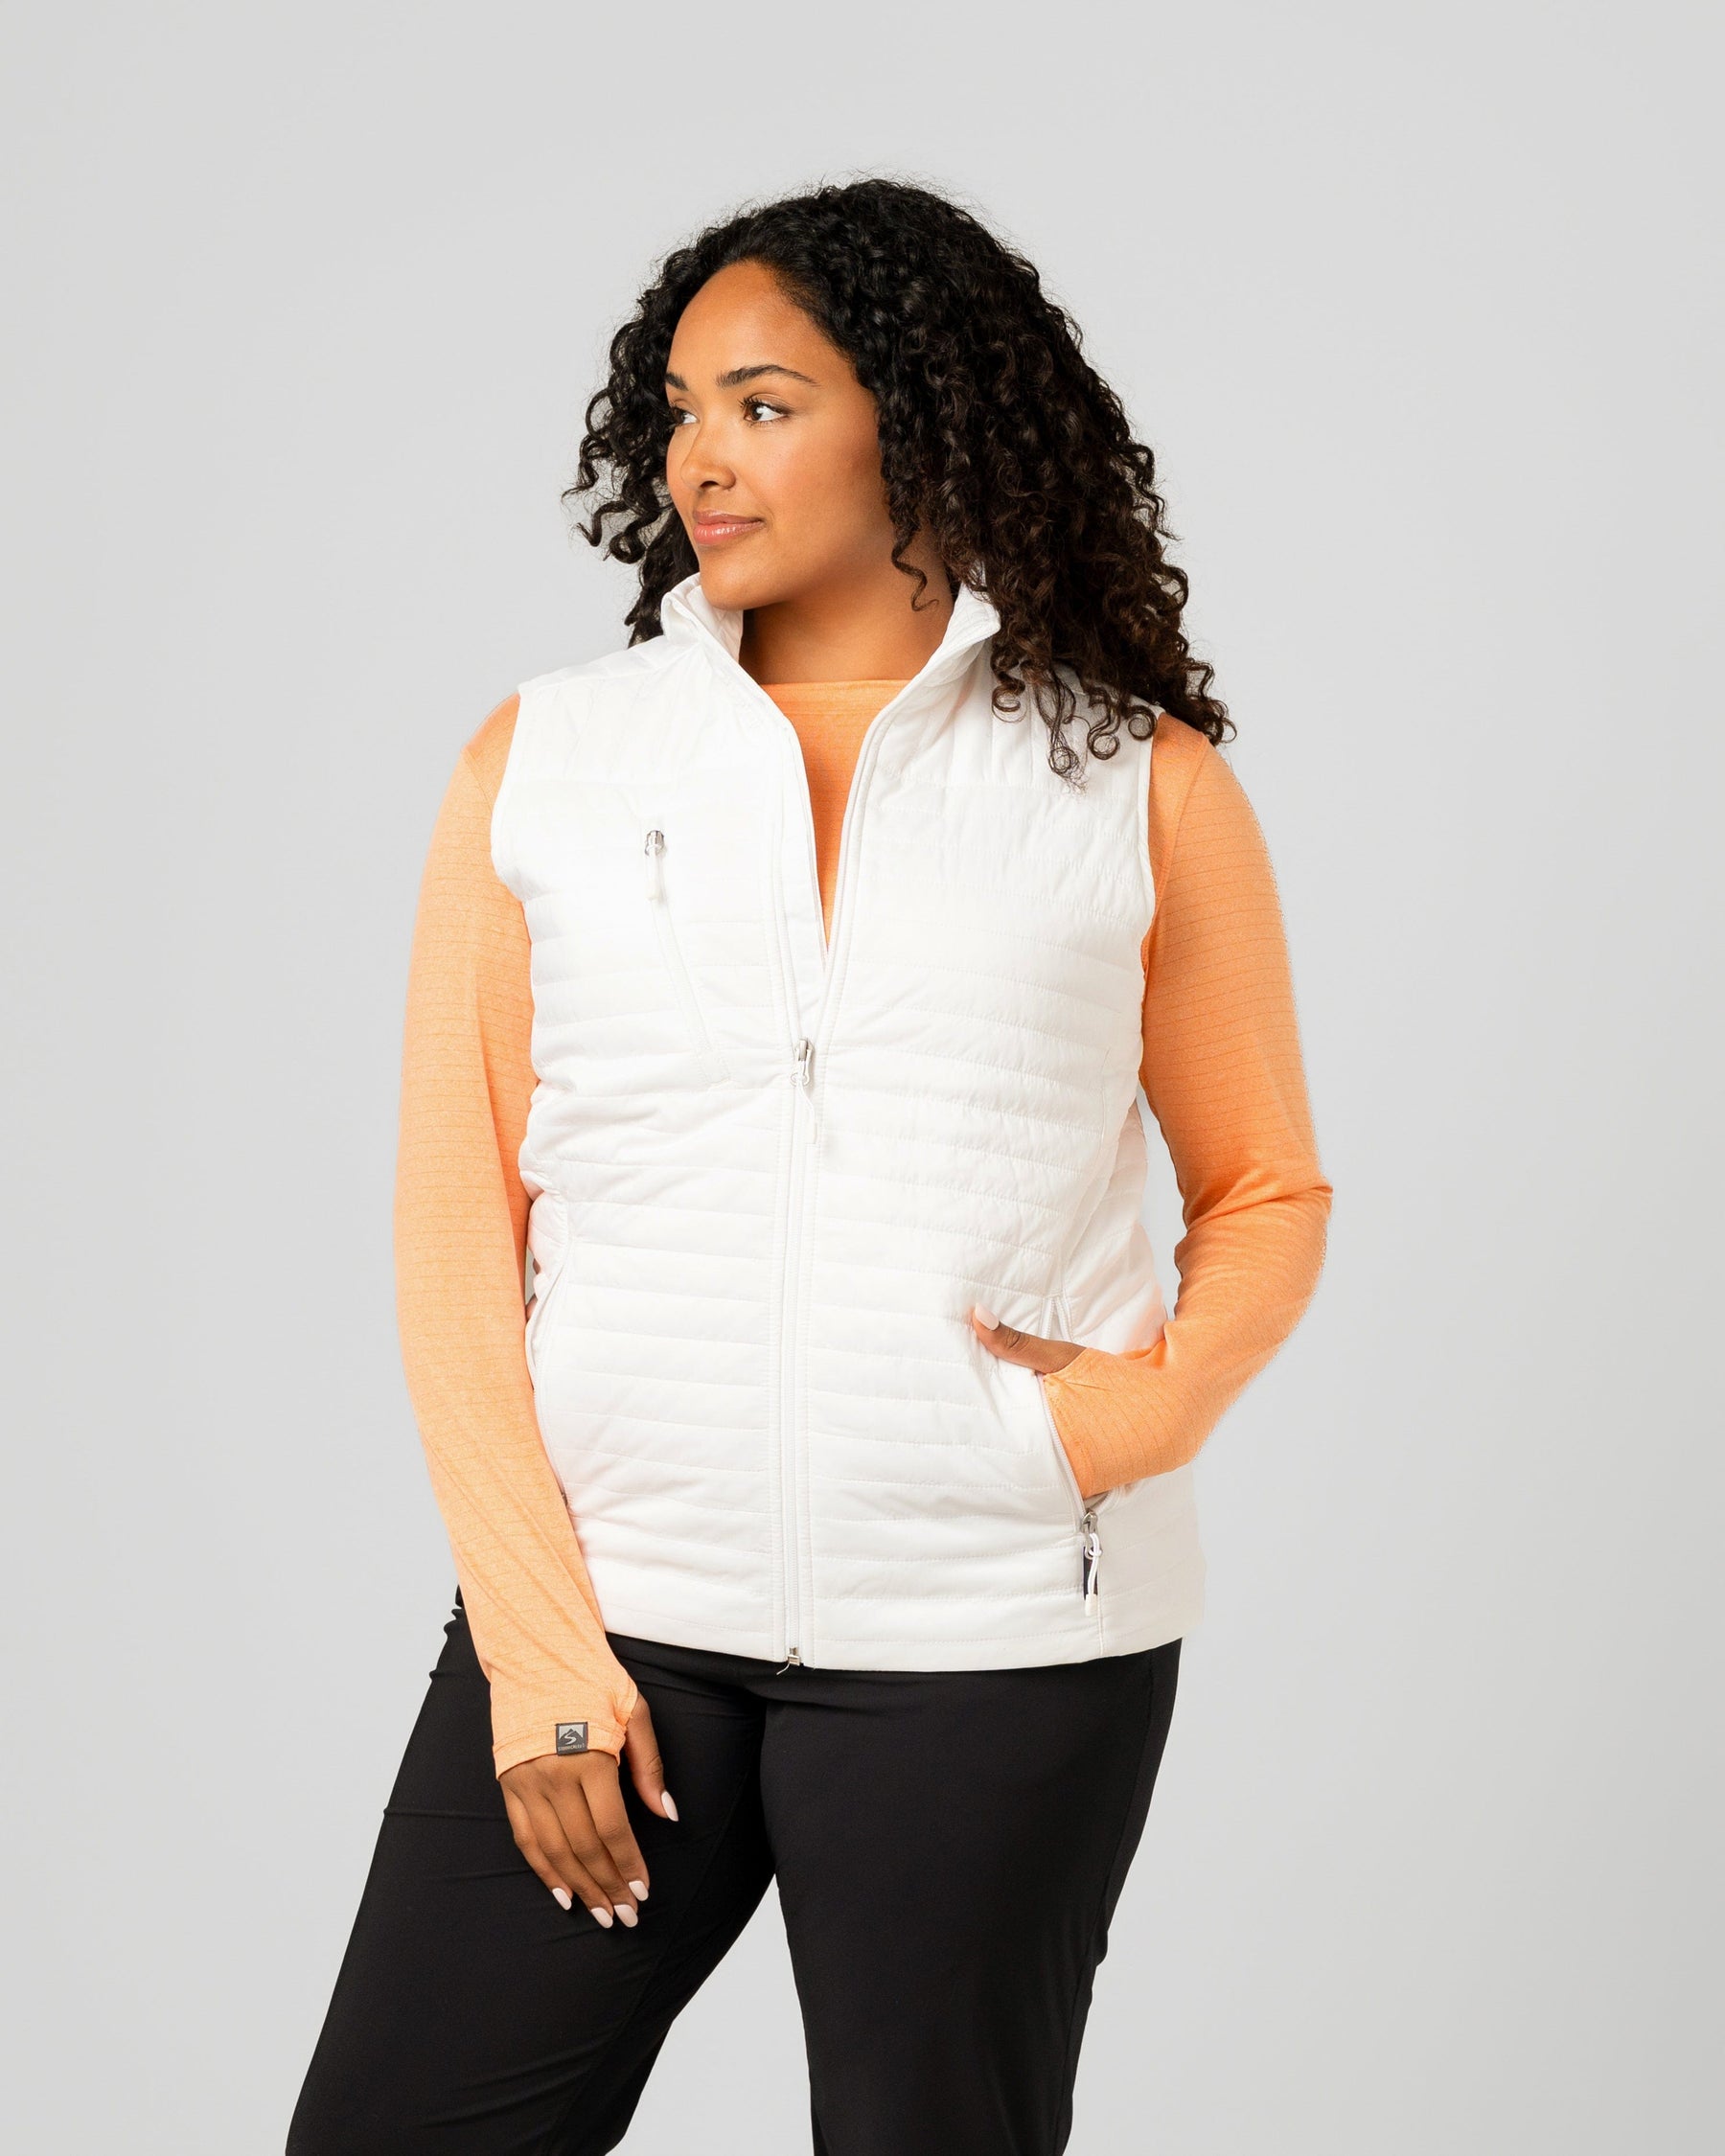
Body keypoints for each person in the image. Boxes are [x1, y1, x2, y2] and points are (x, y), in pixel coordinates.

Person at [287, 176, 1334, 2155]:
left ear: (916, 421)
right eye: (682, 410)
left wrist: (1107, 1428)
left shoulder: (1133, 783)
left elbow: (1267, 1187)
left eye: (764, 405)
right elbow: (454, 1230)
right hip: (620, 1622)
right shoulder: (548, 763)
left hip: (992, 1636)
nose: (703, 457)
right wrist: (540, 1656)